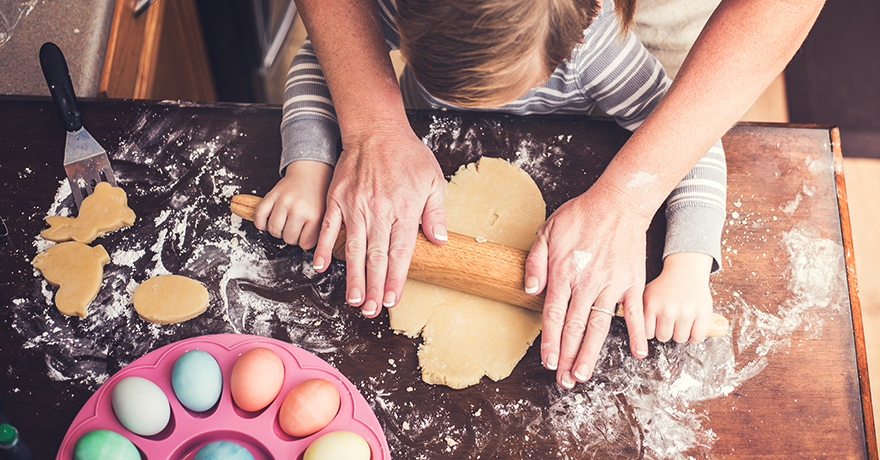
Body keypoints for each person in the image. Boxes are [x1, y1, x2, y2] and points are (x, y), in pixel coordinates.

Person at [257, 0, 823, 389]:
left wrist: (687, 269)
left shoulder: (595, 52)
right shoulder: (398, 8)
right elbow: (324, 60)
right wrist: (309, 170)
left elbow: (693, 142)